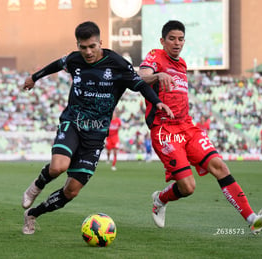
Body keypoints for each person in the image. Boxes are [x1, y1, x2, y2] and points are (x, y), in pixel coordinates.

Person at [21, 21, 174, 235]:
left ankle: (33, 214)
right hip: (73, 122)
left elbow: (138, 84)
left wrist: (156, 101)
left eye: (92, 46)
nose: (88, 52)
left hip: (96, 134)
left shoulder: (118, 64)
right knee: (58, 167)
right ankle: (36, 186)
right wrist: (34, 78)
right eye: (83, 47)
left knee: (71, 191)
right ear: (78, 45)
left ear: (100, 42)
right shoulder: (75, 60)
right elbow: (57, 64)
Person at [138, 20, 262, 235]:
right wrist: (157, 75)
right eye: (172, 39)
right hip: (165, 131)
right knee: (188, 187)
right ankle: (160, 199)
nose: (177, 43)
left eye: (181, 39)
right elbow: (139, 77)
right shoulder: (155, 56)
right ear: (162, 41)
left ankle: (252, 219)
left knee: (219, 166)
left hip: (188, 127)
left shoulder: (182, 64)